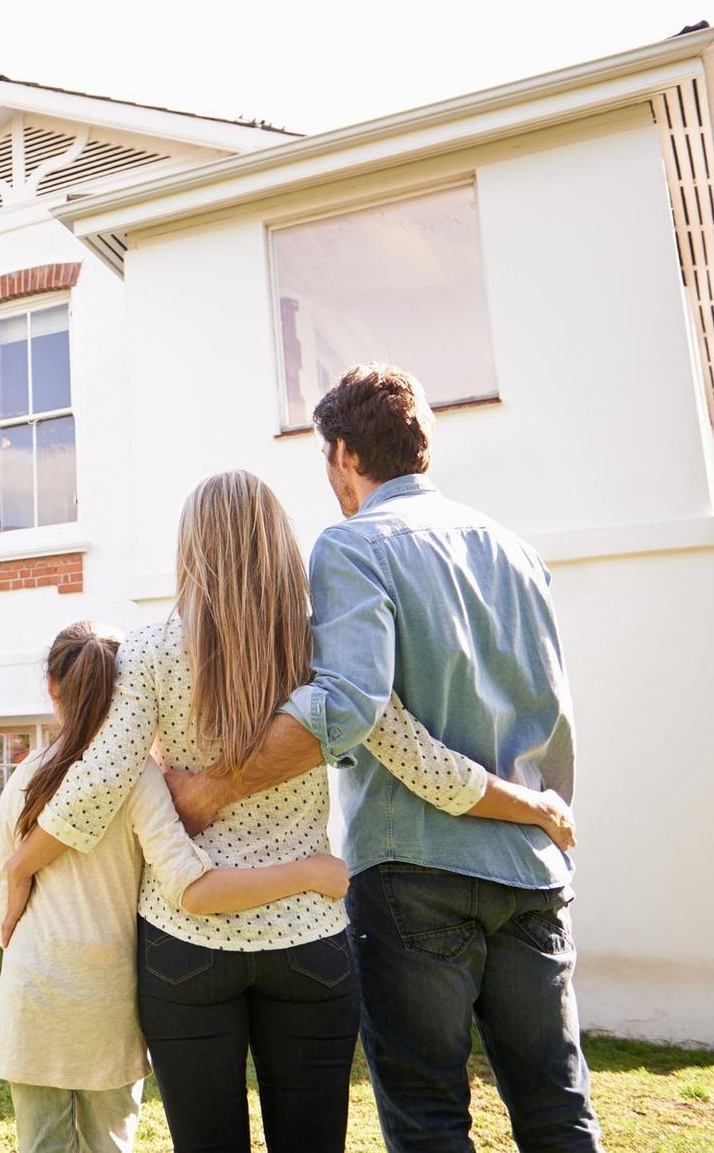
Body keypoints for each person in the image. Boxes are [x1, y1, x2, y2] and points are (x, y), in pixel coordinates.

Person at [1, 471, 574, 1153]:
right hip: (308, 941)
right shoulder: (319, 650)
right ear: (277, 545)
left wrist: (18, 866)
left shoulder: (152, 651)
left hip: (186, 947)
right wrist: (532, 805)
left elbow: (97, 784)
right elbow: (421, 761)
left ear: (192, 550)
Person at [159, 365, 603, 1152]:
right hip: (534, 867)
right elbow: (555, 714)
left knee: (429, 1120)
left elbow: (348, 704)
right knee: (557, 1112)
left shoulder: (353, 544)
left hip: (415, 876)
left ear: (341, 454)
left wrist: (215, 787)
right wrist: (540, 815)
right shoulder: (517, 552)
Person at [0, 619, 351, 1153]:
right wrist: (310, 872)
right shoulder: (138, 779)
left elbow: (8, 891)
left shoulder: (24, 777)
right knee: (109, 1142)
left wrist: (11, 933)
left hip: (32, 995)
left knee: (40, 1144)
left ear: (52, 688)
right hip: (104, 1001)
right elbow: (192, 888)